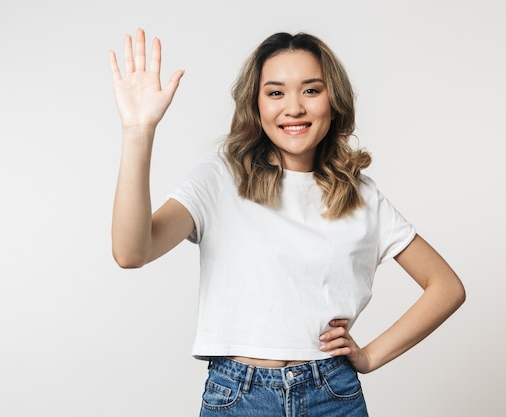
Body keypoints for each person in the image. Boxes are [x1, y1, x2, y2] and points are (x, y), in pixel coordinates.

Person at [108, 28, 466, 417]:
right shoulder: (221, 178)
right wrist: (138, 132)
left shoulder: (361, 195)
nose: (293, 107)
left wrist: (370, 356)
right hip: (238, 396)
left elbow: (446, 287)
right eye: (275, 92)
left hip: (333, 393)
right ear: (256, 104)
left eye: (311, 90)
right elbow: (131, 252)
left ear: (334, 101)